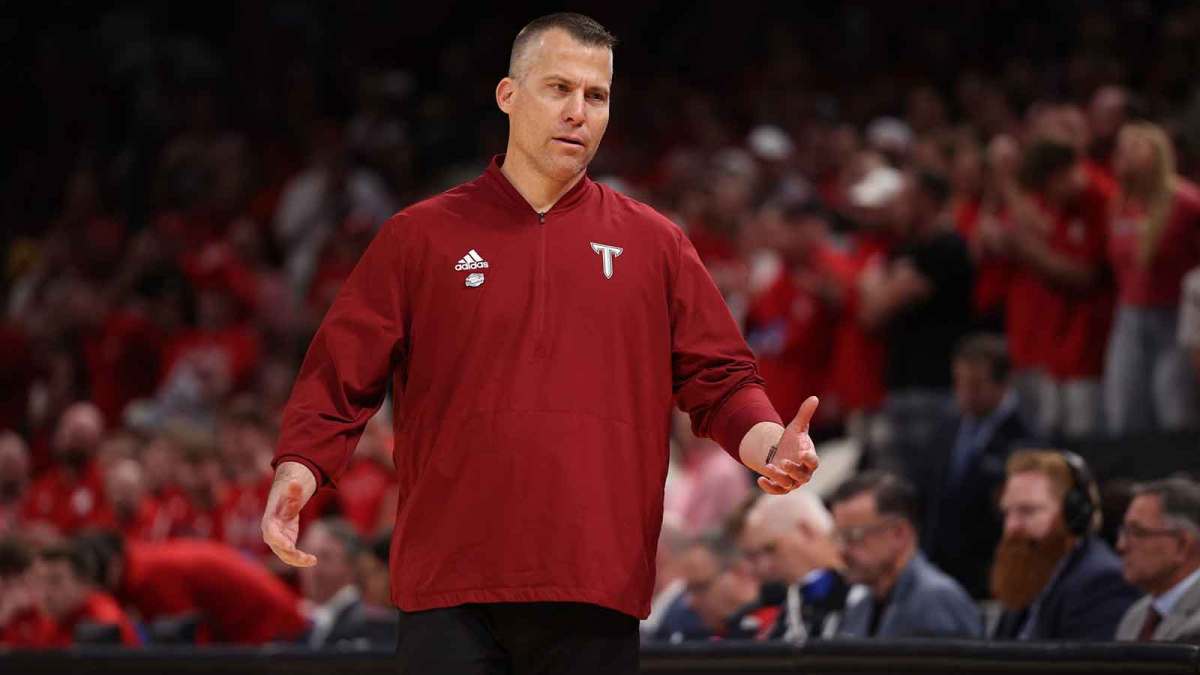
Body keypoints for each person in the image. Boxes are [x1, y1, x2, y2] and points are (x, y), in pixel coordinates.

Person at [260, 13, 821, 675]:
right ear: (508, 95)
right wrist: (300, 466)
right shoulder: (419, 238)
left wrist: (767, 445)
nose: (578, 112)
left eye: (597, 96)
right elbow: (340, 373)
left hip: (594, 577)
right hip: (450, 580)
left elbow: (720, 378)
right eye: (559, 88)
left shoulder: (655, 244)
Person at [913, 333, 1036, 598]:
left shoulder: (1026, 438)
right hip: (941, 568)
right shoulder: (946, 429)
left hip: (991, 576)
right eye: (960, 383)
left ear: (1002, 384)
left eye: (976, 385)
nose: (965, 394)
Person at [1103, 122, 1200, 434]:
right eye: (1122, 149)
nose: (1124, 157)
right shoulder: (1118, 204)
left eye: (1134, 148)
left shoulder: (1187, 203)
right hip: (1129, 316)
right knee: (1125, 410)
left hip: (1174, 317)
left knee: (1174, 414)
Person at [992, 450, 1139, 640]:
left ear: (1074, 514)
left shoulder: (1103, 584)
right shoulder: (1028, 575)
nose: (1011, 527)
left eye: (1027, 511)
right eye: (1007, 513)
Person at [829, 471, 981, 639]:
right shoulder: (861, 606)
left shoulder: (936, 601)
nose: (842, 550)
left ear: (899, 533)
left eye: (853, 536)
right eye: (839, 537)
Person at [736, 487, 848, 640]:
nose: (764, 567)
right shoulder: (786, 606)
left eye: (771, 549)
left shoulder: (863, 587)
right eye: (756, 555)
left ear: (806, 531)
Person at [1115, 477, 1200, 642]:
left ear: (1182, 545)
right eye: (1124, 532)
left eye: (1137, 532)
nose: (1121, 545)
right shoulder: (1134, 617)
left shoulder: (1195, 629)